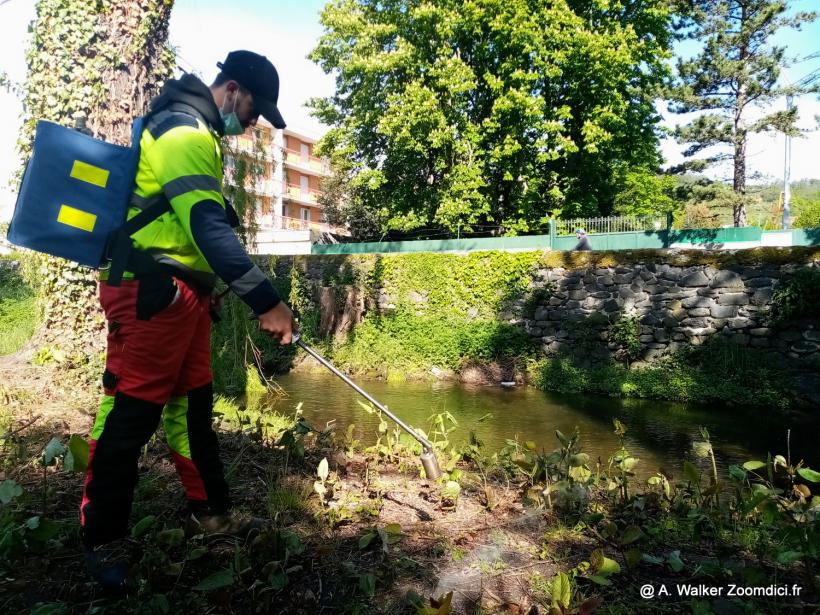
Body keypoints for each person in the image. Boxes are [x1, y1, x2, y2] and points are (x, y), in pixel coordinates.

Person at [81, 50, 295, 588]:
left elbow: (189, 233)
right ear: (231, 90)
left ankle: (211, 513)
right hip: (149, 293)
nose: (251, 125)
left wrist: (205, 288)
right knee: (129, 415)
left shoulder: (197, 132)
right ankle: (101, 540)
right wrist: (267, 301)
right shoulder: (183, 132)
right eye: (252, 112)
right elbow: (207, 227)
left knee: (193, 409)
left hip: (183, 298)